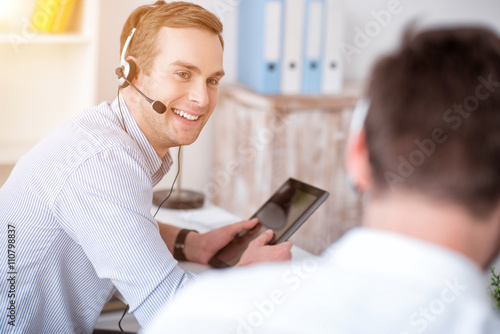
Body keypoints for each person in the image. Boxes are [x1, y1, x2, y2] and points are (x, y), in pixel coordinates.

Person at [142, 26, 500, 334]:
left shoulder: (201, 312)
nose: (202, 98)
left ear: (356, 154)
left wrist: (219, 263)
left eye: (213, 80)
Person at [0, 1, 292, 333]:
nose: (202, 98)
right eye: (183, 74)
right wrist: (249, 276)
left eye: (212, 80)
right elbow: (173, 317)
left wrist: (191, 242)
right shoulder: (102, 162)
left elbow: (118, 223)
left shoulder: (103, 135)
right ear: (132, 72)